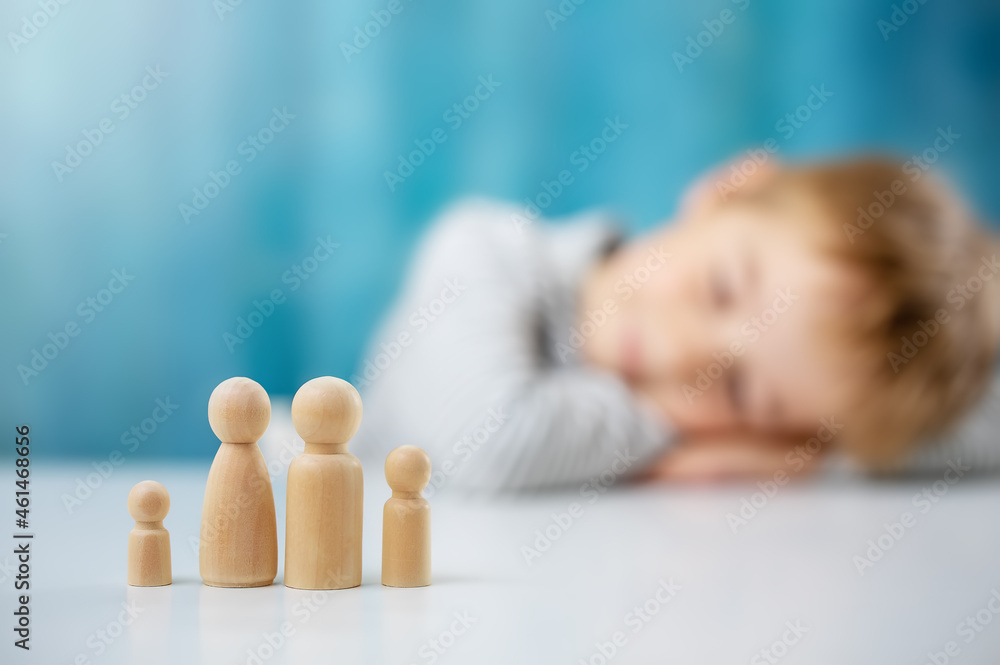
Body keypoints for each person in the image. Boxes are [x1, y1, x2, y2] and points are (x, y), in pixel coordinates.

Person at [352, 156, 1000, 491]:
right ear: (729, 190)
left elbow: (978, 432)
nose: (690, 355)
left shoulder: (799, 438)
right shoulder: (482, 251)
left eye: (743, 391)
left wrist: (816, 455)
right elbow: (492, 443)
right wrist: (675, 441)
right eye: (721, 290)